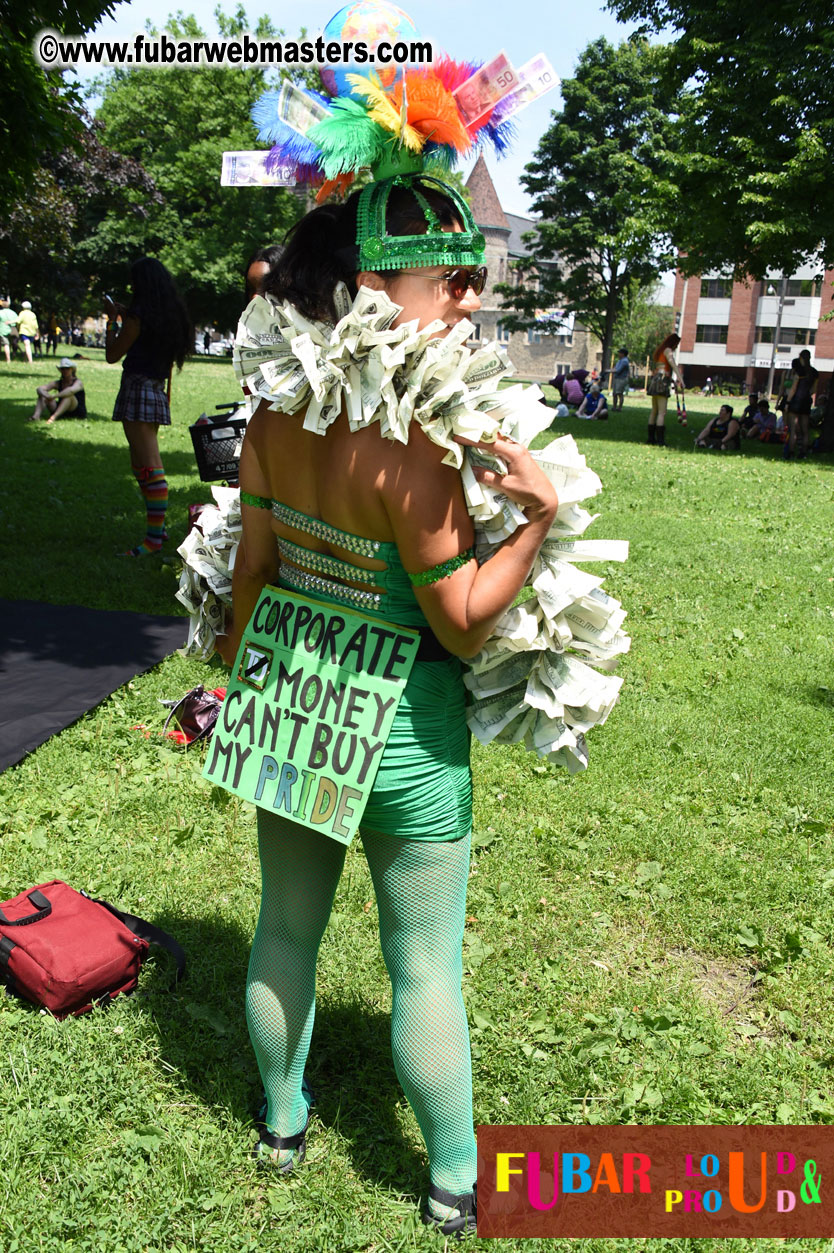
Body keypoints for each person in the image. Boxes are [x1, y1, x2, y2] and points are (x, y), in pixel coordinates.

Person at [216, 177, 558, 1235]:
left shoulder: (273, 413)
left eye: (473, 283)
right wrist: (536, 517)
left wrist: (241, 684)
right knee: (424, 964)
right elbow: (459, 622)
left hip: (297, 711)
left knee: (284, 927)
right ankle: (454, 1177)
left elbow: (255, 575)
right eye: (446, 282)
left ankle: (281, 1120)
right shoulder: (421, 442)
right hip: (408, 740)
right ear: (372, 284)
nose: (465, 301)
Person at [104, 257, 191, 556]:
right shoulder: (169, 316)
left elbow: (112, 355)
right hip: (155, 390)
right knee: (139, 464)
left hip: (138, 389)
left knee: (150, 467)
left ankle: (153, 540)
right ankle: (159, 528)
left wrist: (112, 322)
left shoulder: (138, 317)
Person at [646, 333, 685, 446]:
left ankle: (651, 438)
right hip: (662, 381)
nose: (677, 346)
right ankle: (660, 440)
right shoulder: (668, 350)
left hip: (656, 379)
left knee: (654, 411)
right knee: (662, 412)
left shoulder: (660, 351)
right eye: (677, 344)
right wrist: (680, 378)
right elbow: (672, 363)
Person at [784, 349, 818, 459]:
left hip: (795, 401)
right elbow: (813, 390)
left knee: (793, 428)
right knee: (805, 429)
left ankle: (790, 452)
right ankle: (803, 453)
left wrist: (788, 402)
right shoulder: (814, 373)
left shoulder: (799, 372)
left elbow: (793, 389)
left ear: (801, 358)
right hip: (806, 401)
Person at [28, 358, 86, 422]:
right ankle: (36, 416)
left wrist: (55, 396)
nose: (65, 371)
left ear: (72, 369)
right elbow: (40, 389)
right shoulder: (58, 383)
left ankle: (53, 417)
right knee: (43, 396)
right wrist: (47, 396)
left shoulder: (78, 382)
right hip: (62, 409)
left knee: (69, 396)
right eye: (63, 369)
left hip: (76, 411)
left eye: (67, 368)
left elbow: (70, 391)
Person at [0, 298, 18, 365]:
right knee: (12, 343)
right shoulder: (13, 312)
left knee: (6, 344)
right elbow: (17, 320)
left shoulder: (1, 312)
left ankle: (8, 359)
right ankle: (13, 355)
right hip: (13, 330)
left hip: (3, 330)